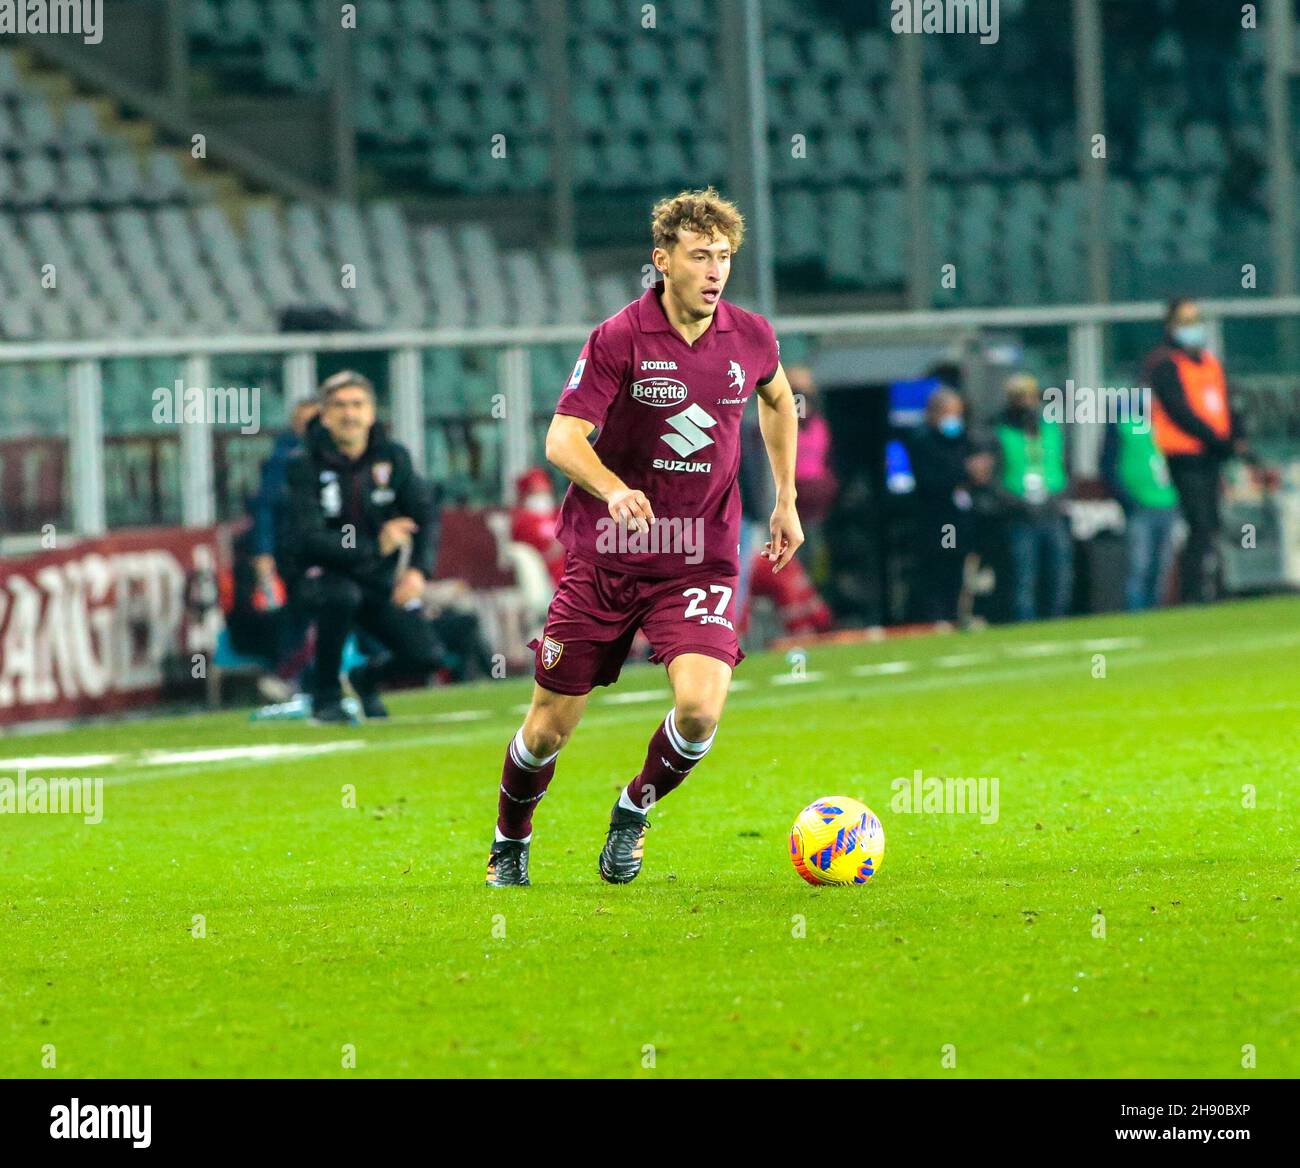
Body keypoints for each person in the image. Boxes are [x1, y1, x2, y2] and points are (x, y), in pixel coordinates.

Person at [485, 187, 803, 887]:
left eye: (723, 256)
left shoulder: (751, 336)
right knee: (547, 729)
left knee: (698, 710)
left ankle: (632, 812)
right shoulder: (619, 337)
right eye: (700, 256)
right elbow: (563, 439)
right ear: (664, 261)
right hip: (606, 559)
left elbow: (779, 399)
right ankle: (511, 839)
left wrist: (785, 498)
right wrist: (614, 489)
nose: (715, 270)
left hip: (699, 560)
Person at [277, 370, 442, 723]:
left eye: (357, 405)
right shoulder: (302, 464)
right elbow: (308, 537)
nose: (349, 414)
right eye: (339, 406)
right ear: (324, 415)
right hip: (318, 576)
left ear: (371, 412)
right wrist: (375, 546)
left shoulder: (393, 458)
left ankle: (366, 679)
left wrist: (417, 571)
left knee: (426, 655)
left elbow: (426, 514)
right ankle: (325, 697)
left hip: (374, 579)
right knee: (341, 596)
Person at [1144, 298, 1248, 603]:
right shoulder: (1164, 364)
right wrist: (1217, 439)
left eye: (1195, 320)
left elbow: (1228, 404)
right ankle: (1192, 593)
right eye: (1185, 321)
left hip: (1211, 456)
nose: (1193, 328)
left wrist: (1234, 437)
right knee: (1199, 523)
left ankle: (1215, 587)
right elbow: (1180, 411)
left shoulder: (1210, 363)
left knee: (1212, 523)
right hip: (1185, 456)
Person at [991, 373, 1073, 622]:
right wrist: (1016, 503)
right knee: (1023, 577)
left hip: (1052, 511)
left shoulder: (1050, 428)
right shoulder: (999, 432)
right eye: (1019, 397)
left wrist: (1058, 498)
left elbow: (1064, 466)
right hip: (1020, 515)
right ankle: (1025, 625)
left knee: (1059, 574)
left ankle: (1056, 623)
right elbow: (995, 478)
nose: (1025, 402)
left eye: (1028, 396)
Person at [906, 387, 992, 623]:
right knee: (937, 571)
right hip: (936, 520)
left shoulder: (964, 439)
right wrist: (966, 472)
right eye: (948, 413)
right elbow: (931, 480)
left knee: (960, 571)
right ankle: (936, 619)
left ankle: (957, 616)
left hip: (962, 520)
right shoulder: (922, 441)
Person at [1100, 412, 1179, 611]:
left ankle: (1155, 614)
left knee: (1162, 567)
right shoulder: (1124, 423)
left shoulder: (1168, 421)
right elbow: (1107, 466)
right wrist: (1127, 500)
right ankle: (1135, 614)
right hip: (1140, 506)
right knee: (1139, 566)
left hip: (1168, 503)